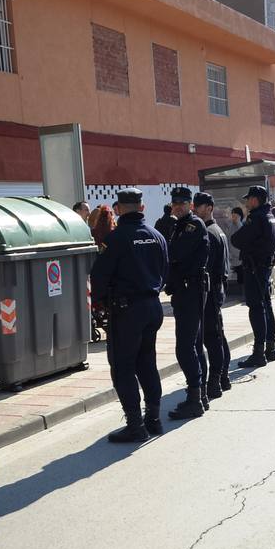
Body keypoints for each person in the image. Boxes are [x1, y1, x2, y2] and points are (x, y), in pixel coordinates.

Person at [90, 189, 169, 441]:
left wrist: (100, 305)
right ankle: (154, 419)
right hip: (153, 306)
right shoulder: (157, 236)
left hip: (126, 311)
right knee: (147, 362)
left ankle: (135, 425)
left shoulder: (115, 239)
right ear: (142, 208)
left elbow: (99, 277)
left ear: (119, 209)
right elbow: (165, 272)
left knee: (123, 367)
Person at [165, 187, 210, 420]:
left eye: (182, 203)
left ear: (190, 205)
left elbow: (175, 253)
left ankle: (195, 399)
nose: (178, 207)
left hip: (191, 290)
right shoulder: (180, 226)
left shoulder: (193, 226)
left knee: (185, 347)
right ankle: (199, 395)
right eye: (175, 203)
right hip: (185, 290)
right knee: (192, 343)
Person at [231, 186, 275, 365]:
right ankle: (270, 348)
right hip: (264, 267)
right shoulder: (270, 216)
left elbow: (237, 239)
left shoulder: (256, 217)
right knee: (266, 305)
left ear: (255, 200)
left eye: (248, 199)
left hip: (255, 268)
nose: (246, 202)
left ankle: (259, 353)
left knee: (256, 308)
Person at [194, 192, 231, 398]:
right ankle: (222, 377)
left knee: (212, 338)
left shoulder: (209, 232)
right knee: (218, 335)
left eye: (198, 207)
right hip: (217, 290)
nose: (195, 210)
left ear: (208, 208)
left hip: (212, 291)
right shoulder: (217, 229)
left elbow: (207, 266)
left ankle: (216, 380)